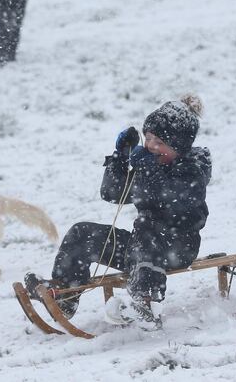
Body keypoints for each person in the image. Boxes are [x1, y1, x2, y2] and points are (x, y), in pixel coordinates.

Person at [24, 95, 211, 329]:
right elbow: (113, 193)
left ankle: (146, 301)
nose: (151, 145)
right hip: (139, 247)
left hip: (178, 247)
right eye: (149, 138)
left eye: (159, 142)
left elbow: (176, 196)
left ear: (178, 147)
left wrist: (150, 171)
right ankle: (65, 295)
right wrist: (119, 159)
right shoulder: (149, 164)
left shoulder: (193, 167)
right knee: (83, 233)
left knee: (149, 235)